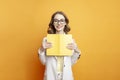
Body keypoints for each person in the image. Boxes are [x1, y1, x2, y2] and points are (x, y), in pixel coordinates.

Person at [38, 11, 81, 80]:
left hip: (66, 76)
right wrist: (42, 49)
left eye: (62, 20)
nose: (59, 23)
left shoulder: (70, 40)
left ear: (65, 23)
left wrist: (76, 49)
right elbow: (44, 62)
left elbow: (72, 62)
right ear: (53, 23)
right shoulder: (46, 40)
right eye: (56, 20)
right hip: (50, 76)